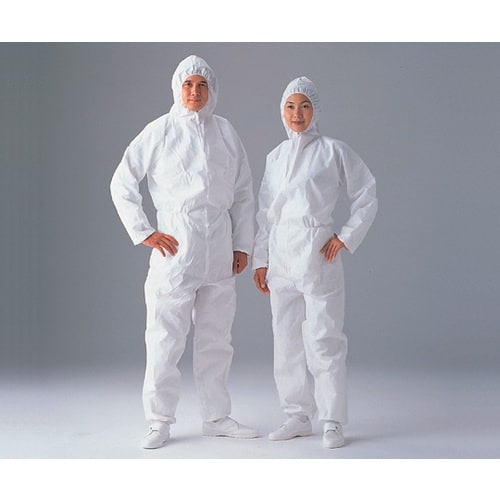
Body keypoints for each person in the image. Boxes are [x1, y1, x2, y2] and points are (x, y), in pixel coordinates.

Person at [110, 55, 258, 449]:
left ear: (212, 91)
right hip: (176, 250)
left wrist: (242, 244)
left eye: (202, 85)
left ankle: (216, 416)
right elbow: (122, 181)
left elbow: (243, 192)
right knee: (164, 338)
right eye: (188, 84)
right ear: (177, 88)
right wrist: (144, 231)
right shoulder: (159, 131)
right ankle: (159, 420)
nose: (195, 91)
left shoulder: (225, 132)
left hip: (219, 250)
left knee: (217, 340)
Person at [253, 76, 377, 449]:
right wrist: (261, 259)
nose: (297, 114)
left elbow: (367, 192)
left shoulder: (332, 151)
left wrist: (346, 237)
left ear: (315, 111)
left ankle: (332, 420)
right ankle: (296, 415)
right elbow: (265, 212)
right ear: (282, 111)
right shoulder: (275, 156)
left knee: (324, 338)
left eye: (304, 106)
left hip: (316, 252)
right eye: (290, 106)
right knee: (286, 339)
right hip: (281, 255)